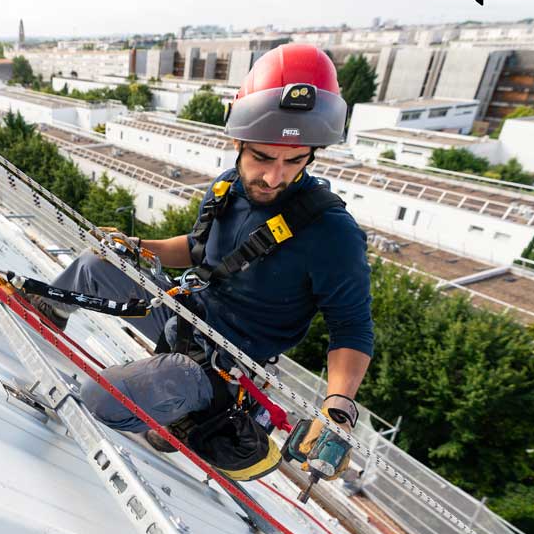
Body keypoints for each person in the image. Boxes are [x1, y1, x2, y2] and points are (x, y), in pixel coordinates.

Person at [37, 44, 373, 480]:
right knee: (95, 265)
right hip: (185, 319)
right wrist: (139, 246)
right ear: (238, 140)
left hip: (223, 368)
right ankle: (46, 315)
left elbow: (352, 326)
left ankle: (181, 414)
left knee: (101, 396)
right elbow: (199, 251)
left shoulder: (332, 233)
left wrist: (338, 408)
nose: (275, 177)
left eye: (294, 161)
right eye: (263, 157)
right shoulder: (226, 189)